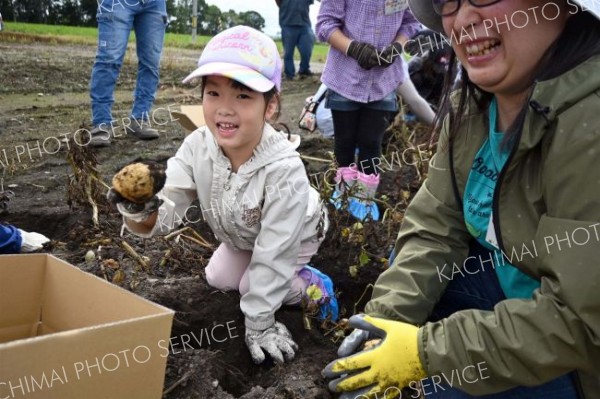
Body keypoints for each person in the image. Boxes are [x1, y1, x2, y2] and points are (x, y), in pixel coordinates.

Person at [322, 0, 600, 398]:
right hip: (515, 295)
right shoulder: (472, 105)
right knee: (407, 268)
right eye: (448, 1)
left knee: (442, 385)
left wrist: (425, 355)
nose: (464, 19)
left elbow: (581, 322)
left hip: (579, 358)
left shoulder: (590, 123)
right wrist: (380, 328)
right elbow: (435, 227)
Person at [108, 26, 338, 365]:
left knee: (253, 287)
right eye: (213, 94)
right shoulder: (198, 145)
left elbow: (275, 252)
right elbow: (167, 204)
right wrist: (138, 209)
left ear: (270, 106)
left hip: (296, 235)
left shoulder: (284, 170)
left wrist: (259, 324)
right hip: (243, 230)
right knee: (218, 277)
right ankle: (263, 279)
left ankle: (315, 288)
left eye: (242, 96)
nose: (224, 109)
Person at [316, 0, 421, 221]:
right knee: (344, 142)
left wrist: (397, 47)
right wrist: (354, 49)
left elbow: (411, 23)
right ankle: (343, 194)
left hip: (384, 80)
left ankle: (365, 199)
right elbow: (325, 24)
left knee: (371, 143)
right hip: (345, 78)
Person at [88, 0, 167, 147]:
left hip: (154, 4)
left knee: (151, 63)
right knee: (109, 60)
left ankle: (139, 119)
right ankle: (101, 123)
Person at [276, 0, 316, 80]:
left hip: (304, 24)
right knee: (288, 52)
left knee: (306, 50)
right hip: (287, 24)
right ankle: (289, 74)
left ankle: (304, 70)